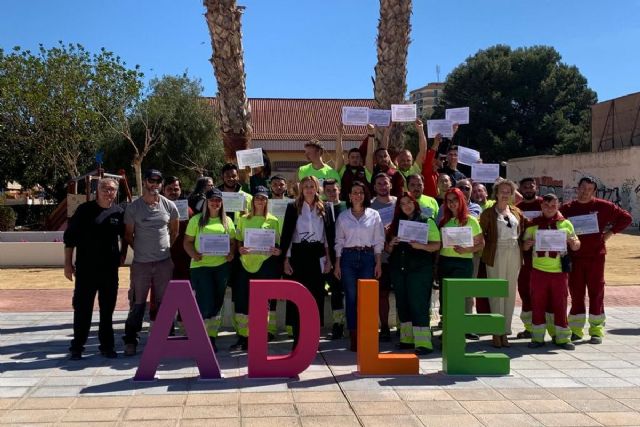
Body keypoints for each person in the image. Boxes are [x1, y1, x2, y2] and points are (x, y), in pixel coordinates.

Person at [560, 176, 632, 344]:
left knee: (596, 293)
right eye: (583, 188)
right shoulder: (567, 209)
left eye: (589, 189)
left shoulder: (603, 206)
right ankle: (576, 330)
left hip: (595, 257)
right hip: (575, 258)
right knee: (576, 293)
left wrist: (610, 233)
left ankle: (596, 330)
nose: (585, 192)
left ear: (594, 191)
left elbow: (626, 218)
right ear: (577, 188)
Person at [64, 177, 126, 360]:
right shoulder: (84, 210)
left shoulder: (119, 212)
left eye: (112, 190)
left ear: (116, 192)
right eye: (105, 189)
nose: (109, 193)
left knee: (107, 311)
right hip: (86, 269)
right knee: (83, 310)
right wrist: (67, 264)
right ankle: (77, 347)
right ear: (97, 191)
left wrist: (123, 253)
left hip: (109, 270)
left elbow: (126, 236)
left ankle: (107, 346)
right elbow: (70, 239)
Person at [122, 169, 179, 356]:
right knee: (138, 303)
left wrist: (163, 248)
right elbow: (128, 236)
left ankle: (165, 338)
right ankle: (131, 340)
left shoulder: (170, 206)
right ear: (145, 182)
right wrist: (142, 249)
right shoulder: (133, 208)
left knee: (164, 303)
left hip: (164, 262)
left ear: (161, 184)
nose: (154, 184)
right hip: (141, 264)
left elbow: (174, 232)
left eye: (158, 181)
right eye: (151, 180)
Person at [523, 193, 581, 350]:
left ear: (558, 206)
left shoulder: (566, 224)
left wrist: (574, 242)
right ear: (541, 206)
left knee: (560, 304)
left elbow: (576, 245)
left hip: (559, 272)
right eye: (546, 206)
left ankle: (562, 338)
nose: (550, 209)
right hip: (538, 271)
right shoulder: (532, 224)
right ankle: (537, 337)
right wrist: (527, 244)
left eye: (553, 206)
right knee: (538, 304)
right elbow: (524, 247)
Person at [386, 192, 441, 354]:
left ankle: (424, 343)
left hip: (419, 270)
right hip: (399, 269)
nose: (406, 206)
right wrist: (391, 243)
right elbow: (388, 250)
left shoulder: (426, 221)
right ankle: (407, 340)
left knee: (419, 305)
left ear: (414, 203)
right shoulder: (396, 224)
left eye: (409, 202)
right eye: (402, 204)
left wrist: (421, 246)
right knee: (402, 304)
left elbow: (437, 245)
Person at [280, 176, 332, 346]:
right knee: (297, 296)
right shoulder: (293, 207)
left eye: (312, 186)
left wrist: (328, 259)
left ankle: (312, 339)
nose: (309, 189)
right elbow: (287, 235)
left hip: (317, 254)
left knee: (316, 295)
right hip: (298, 254)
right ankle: (297, 338)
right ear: (301, 189)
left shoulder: (325, 208)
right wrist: (285, 260)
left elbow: (326, 238)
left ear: (317, 188)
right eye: (306, 186)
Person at [334, 181, 385, 351]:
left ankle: (367, 335)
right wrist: (338, 264)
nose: (357, 195)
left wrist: (378, 263)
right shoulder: (343, 216)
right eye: (354, 192)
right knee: (351, 297)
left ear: (365, 195)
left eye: (361, 192)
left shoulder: (374, 215)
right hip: (347, 258)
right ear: (349, 196)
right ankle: (354, 337)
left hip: (368, 257)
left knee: (366, 298)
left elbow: (379, 240)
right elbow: (339, 242)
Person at [183, 188, 236, 350]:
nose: (215, 203)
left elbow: (233, 242)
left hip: (221, 267)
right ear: (207, 202)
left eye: (218, 200)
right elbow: (187, 242)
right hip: (201, 267)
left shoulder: (227, 221)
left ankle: (211, 337)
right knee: (205, 302)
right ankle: (201, 337)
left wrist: (231, 254)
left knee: (217, 303)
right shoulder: (197, 220)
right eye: (212, 200)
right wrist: (195, 255)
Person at [233, 186, 281, 350]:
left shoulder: (273, 220)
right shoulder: (243, 219)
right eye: (257, 198)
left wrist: (277, 250)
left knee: (264, 300)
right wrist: (240, 249)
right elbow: (238, 239)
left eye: (263, 198)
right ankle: (244, 336)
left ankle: (264, 333)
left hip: (266, 263)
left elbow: (278, 243)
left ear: (267, 201)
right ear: (252, 201)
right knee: (242, 299)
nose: (260, 201)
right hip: (246, 264)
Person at [479, 179, 525, 348]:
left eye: (508, 191)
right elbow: (479, 233)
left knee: (509, 293)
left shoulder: (516, 211)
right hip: (496, 252)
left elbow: (525, 230)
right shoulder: (488, 213)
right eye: (502, 191)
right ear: (496, 193)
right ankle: (496, 332)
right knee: (496, 292)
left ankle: (505, 331)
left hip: (514, 252)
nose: (505, 194)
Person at [437, 188, 485, 339]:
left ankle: (464, 328)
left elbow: (481, 244)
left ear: (461, 200)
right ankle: (448, 330)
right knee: (446, 298)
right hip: (446, 261)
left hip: (463, 262)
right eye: (449, 201)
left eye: (455, 200)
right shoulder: (444, 221)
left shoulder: (471, 220)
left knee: (463, 297)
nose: (452, 204)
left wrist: (467, 250)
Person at [370, 173, 397, 341]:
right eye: (379, 184)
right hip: (382, 258)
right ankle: (384, 327)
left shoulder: (400, 202)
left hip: (400, 255)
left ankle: (405, 328)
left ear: (390, 185)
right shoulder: (370, 206)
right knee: (382, 294)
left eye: (385, 183)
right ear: (374, 187)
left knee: (403, 293)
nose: (382, 186)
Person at [515, 177, 543, 338]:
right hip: (524, 258)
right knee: (525, 291)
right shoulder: (516, 209)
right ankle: (529, 327)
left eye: (531, 186)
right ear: (520, 189)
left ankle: (548, 326)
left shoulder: (544, 204)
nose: (528, 189)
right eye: (524, 187)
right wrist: (522, 245)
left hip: (545, 257)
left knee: (543, 293)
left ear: (536, 188)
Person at [322, 179, 347, 339]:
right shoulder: (321, 208)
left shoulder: (347, 206)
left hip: (348, 253)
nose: (332, 192)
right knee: (335, 291)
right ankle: (338, 324)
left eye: (334, 189)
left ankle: (354, 324)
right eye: (328, 190)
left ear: (339, 190)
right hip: (328, 254)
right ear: (324, 192)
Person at [162, 176, 192, 280]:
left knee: (183, 292)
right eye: (169, 189)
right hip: (162, 258)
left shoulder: (188, 211)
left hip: (184, 260)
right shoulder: (155, 209)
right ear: (163, 190)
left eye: (176, 189)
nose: (173, 192)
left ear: (180, 190)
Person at [335, 124, 373, 200]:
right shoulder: (342, 169)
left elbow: (370, 154)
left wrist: (371, 134)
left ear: (361, 159)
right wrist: (339, 133)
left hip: (363, 205)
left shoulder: (367, 170)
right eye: (352, 157)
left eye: (357, 157)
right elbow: (339, 154)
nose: (355, 159)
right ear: (348, 159)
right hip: (345, 204)